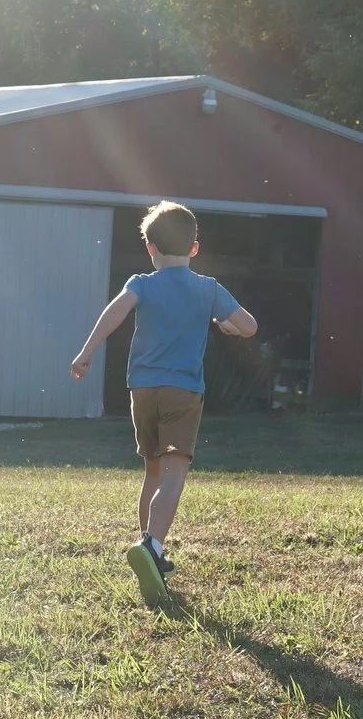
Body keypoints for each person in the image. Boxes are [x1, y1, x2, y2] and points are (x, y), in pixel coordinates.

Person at [71, 202, 258, 603]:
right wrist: (224, 322)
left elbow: (114, 312)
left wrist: (86, 352)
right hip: (183, 392)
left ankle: (150, 544)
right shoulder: (208, 289)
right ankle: (152, 548)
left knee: (152, 471)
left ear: (150, 248)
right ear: (194, 249)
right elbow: (249, 326)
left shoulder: (141, 283)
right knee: (174, 475)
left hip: (141, 389)